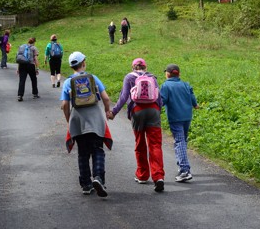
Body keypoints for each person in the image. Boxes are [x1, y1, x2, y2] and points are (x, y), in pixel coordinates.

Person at [61, 51, 113, 197]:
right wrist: (107, 111)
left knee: (83, 153)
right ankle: (98, 178)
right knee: (97, 149)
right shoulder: (93, 78)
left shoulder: (67, 82)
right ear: (83, 63)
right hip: (95, 119)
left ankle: (86, 184)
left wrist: (69, 119)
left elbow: (65, 104)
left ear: (72, 67)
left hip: (78, 121)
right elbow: (106, 98)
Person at [109, 58, 165, 191]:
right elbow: (159, 97)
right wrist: (158, 111)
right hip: (153, 111)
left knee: (140, 144)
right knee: (155, 144)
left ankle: (142, 175)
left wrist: (114, 112)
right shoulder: (152, 77)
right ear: (145, 67)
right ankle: (158, 177)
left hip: (137, 111)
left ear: (133, 67)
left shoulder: (129, 77)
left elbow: (123, 96)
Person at [160, 63, 199, 183]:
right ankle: (183, 165)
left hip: (175, 118)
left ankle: (184, 170)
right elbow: (193, 99)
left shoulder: (166, 86)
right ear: (179, 74)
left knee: (179, 141)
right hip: (187, 117)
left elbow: (162, 101)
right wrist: (195, 105)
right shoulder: (185, 84)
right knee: (183, 141)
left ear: (167, 74)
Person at [16, 37, 39, 101]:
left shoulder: (22, 47)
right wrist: (37, 68)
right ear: (34, 42)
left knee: (22, 80)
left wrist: (18, 68)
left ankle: (20, 95)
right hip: (30, 65)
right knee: (33, 79)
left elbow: (20, 59)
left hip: (22, 65)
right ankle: (35, 94)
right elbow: (36, 59)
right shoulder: (34, 48)